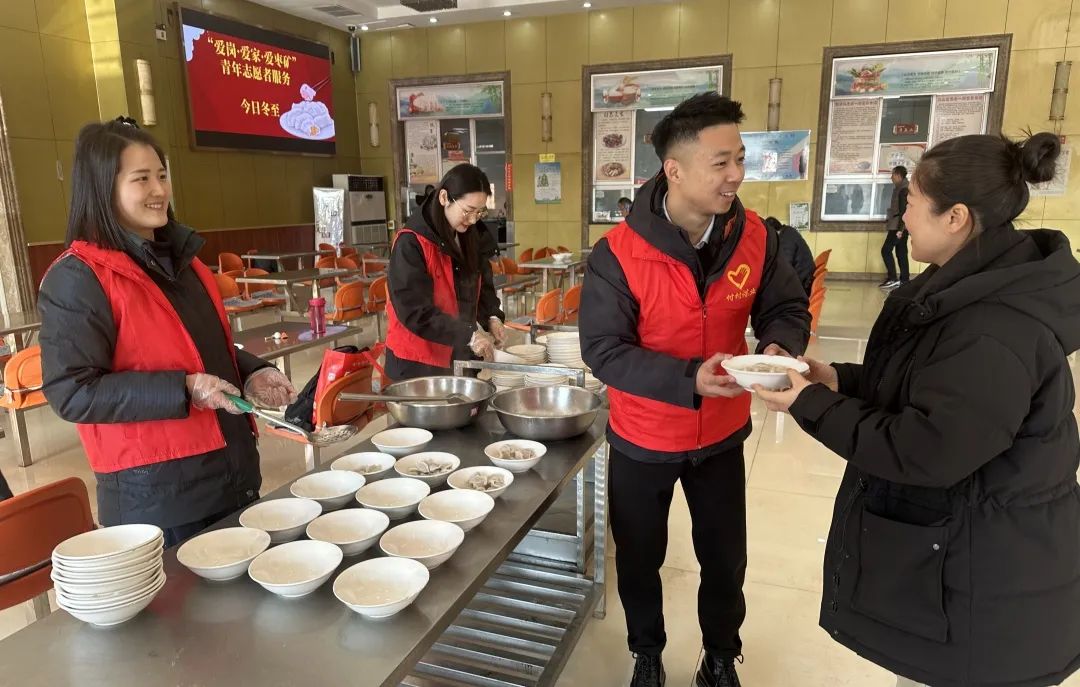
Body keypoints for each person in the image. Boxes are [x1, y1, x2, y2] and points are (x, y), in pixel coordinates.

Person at [756, 132, 1080, 687]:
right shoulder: (966, 288)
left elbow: (925, 449)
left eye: (910, 203)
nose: (902, 218)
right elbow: (929, 387)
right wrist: (837, 379)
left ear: (955, 217)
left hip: (985, 591)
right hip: (962, 561)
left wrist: (811, 404)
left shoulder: (993, 328)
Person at [579, 93, 811, 687]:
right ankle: (646, 654)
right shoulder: (617, 253)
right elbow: (604, 350)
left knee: (724, 560)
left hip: (722, 434)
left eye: (740, 159)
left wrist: (778, 345)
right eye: (720, 162)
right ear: (674, 169)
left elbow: (785, 306)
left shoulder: (755, 236)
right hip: (644, 437)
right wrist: (689, 380)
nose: (736, 175)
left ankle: (720, 657)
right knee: (639, 560)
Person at [38, 118, 297, 548]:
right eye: (142, 179)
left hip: (231, 473)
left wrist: (251, 371)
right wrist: (184, 389)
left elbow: (199, 348)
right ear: (103, 187)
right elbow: (72, 391)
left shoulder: (184, 262)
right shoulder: (79, 277)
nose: (159, 190)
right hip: (158, 496)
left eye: (162, 175)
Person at [385, 164, 506, 381]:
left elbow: (482, 282)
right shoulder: (411, 243)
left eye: (479, 212)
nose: (473, 220)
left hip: (459, 354)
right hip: (418, 363)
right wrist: (468, 335)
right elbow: (415, 311)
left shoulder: (470, 233)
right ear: (444, 198)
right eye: (468, 211)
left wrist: (492, 316)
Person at [764, 216, 815, 296]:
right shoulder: (789, 231)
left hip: (802, 285)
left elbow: (784, 266)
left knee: (767, 291)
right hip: (805, 277)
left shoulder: (785, 239)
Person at [880, 165, 910, 288]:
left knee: (886, 250)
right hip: (900, 225)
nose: (891, 177)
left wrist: (900, 229)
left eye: (892, 175)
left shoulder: (903, 189)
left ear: (898, 175)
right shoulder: (901, 187)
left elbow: (904, 211)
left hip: (898, 226)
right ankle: (904, 280)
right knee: (901, 252)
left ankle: (893, 278)